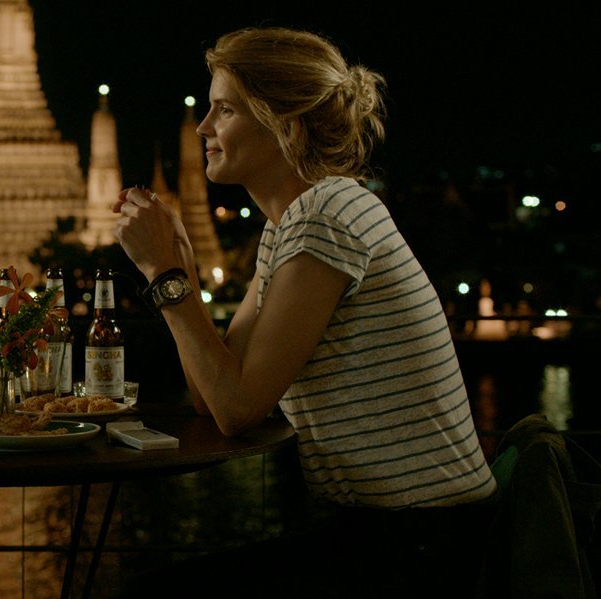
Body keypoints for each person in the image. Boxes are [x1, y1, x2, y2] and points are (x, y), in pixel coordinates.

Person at [113, 28, 497, 596]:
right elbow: (211, 396)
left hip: (424, 543)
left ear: (286, 127)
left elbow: (237, 410)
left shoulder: (327, 216)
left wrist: (161, 274)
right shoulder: (289, 226)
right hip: (385, 532)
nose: (203, 127)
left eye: (225, 110)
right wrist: (181, 267)